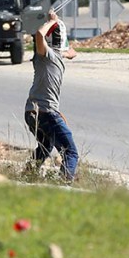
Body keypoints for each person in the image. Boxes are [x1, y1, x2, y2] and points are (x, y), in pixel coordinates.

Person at [24, 11, 79, 183]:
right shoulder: (45, 55)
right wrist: (51, 21)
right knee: (71, 152)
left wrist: (69, 52)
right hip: (45, 113)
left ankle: (27, 177)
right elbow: (39, 35)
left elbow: (69, 52)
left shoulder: (58, 55)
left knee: (45, 147)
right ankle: (63, 185)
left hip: (32, 112)